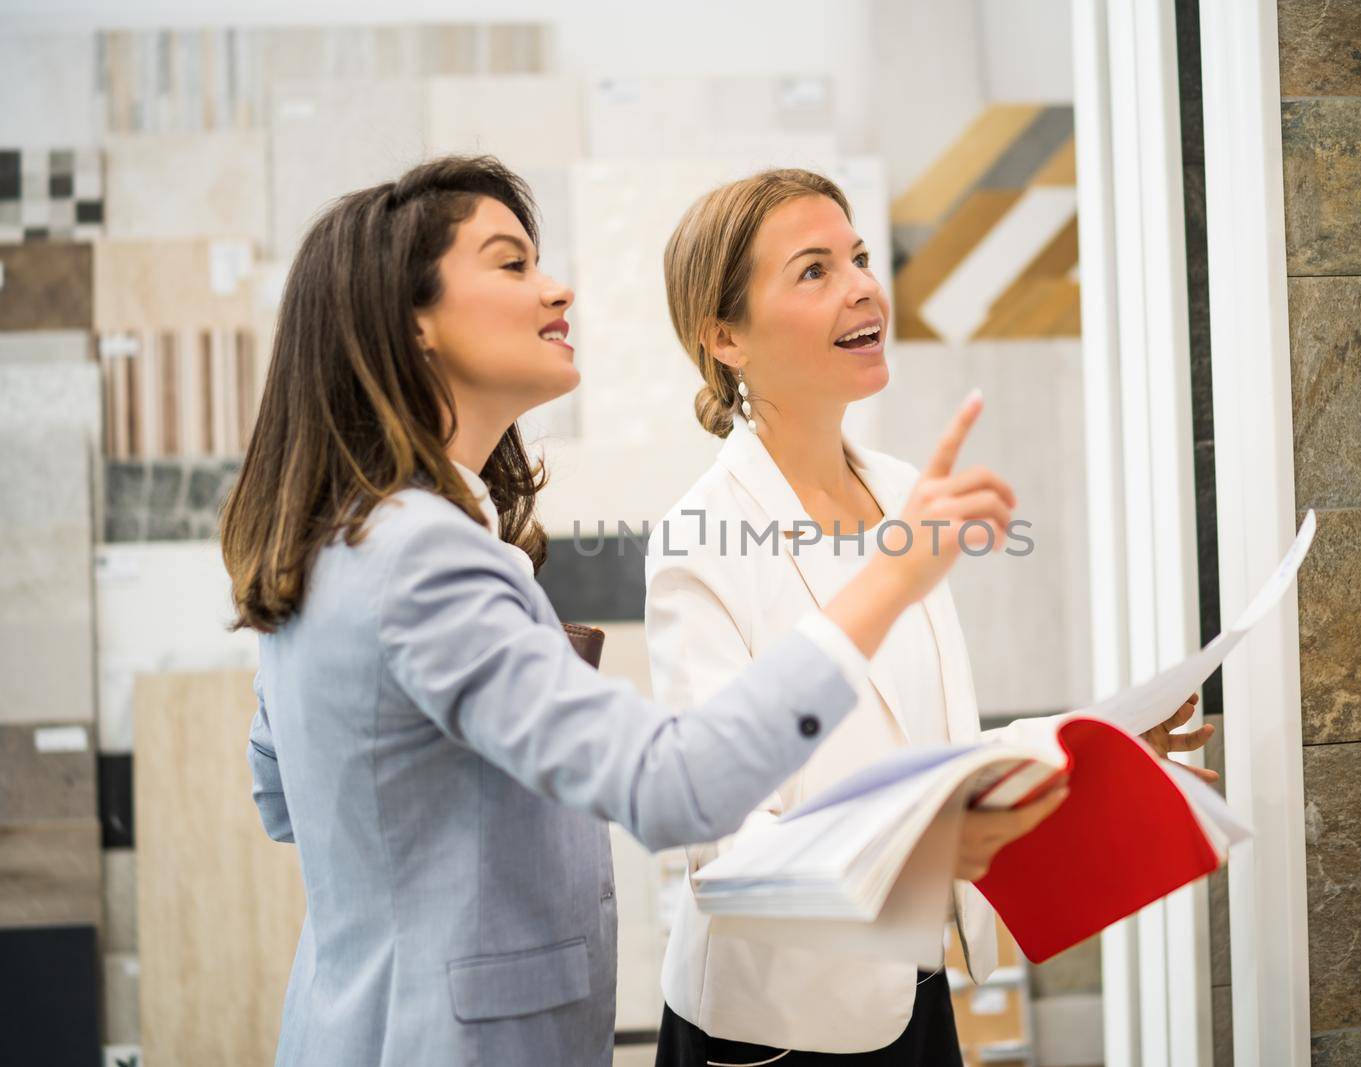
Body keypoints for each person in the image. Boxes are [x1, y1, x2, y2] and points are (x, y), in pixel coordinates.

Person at [218, 156, 1019, 1067]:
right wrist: (891, 578)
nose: (557, 287)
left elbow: (291, 797)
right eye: (512, 264)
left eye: (860, 257)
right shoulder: (421, 557)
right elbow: (675, 790)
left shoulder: (348, 538)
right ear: (416, 324)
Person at [646, 168, 1213, 1064]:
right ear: (726, 336)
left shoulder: (906, 491)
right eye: (813, 269)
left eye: (860, 257)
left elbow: (928, 752)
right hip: (775, 1028)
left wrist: (1099, 747)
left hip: (915, 995)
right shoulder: (698, 541)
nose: (864, 284)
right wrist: (924, 851)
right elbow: (726, 851)